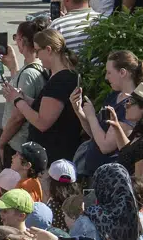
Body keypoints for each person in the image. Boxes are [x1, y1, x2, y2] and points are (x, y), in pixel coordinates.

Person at [7, 29, 85, 164]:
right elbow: (47, 107)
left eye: (38, 51)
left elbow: (42, 123)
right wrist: (24, 97)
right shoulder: (62, 76)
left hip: (54, 156)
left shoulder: (61, 81)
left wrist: (18, 101)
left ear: (48, 50)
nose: (37, 55)